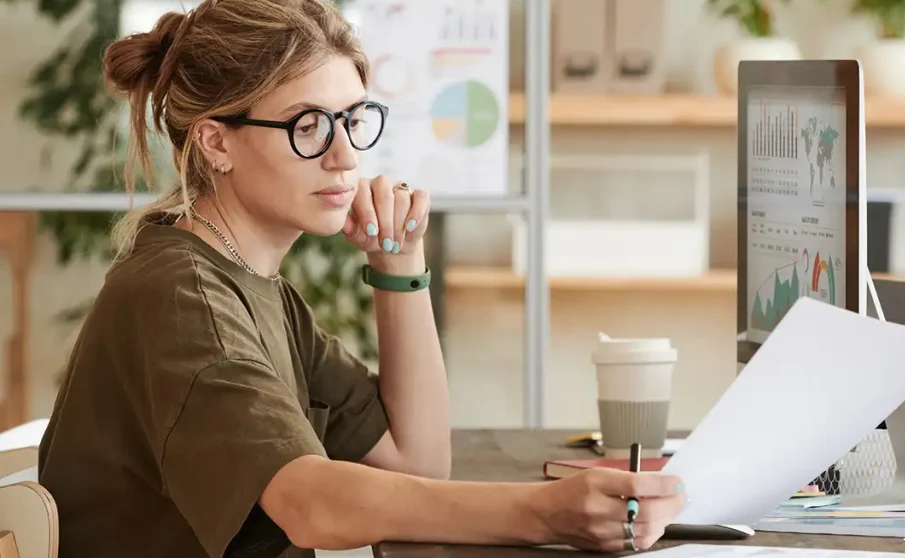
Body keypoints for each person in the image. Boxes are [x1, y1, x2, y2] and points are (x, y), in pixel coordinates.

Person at [36, 0, 688, 556]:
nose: (347, 155)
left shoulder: (254, 287)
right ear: (216, 142)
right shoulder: (184, 298)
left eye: (353, 119)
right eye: (308, 126)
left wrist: (398, 262)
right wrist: (547, 512)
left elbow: (419, 459)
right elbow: (310, 504)